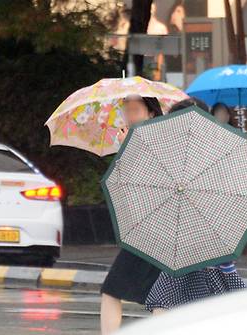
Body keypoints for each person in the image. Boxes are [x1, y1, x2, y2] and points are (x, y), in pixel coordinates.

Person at [144, 98, 247, 315]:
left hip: (206, 249)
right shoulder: (174, 153)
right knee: (164, 308)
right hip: (182, 247)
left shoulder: (214, 154)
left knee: (168, 309)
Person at [100, 95, 164, 335]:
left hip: (155, 230)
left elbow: (147, 182)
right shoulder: (133, 142)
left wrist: (128, 151)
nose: (129, 116)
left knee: (114, 289)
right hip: (143, 230)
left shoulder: (158, 143)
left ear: (151, 114)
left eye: (136, 110)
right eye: (126, 110)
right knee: (157, 296)